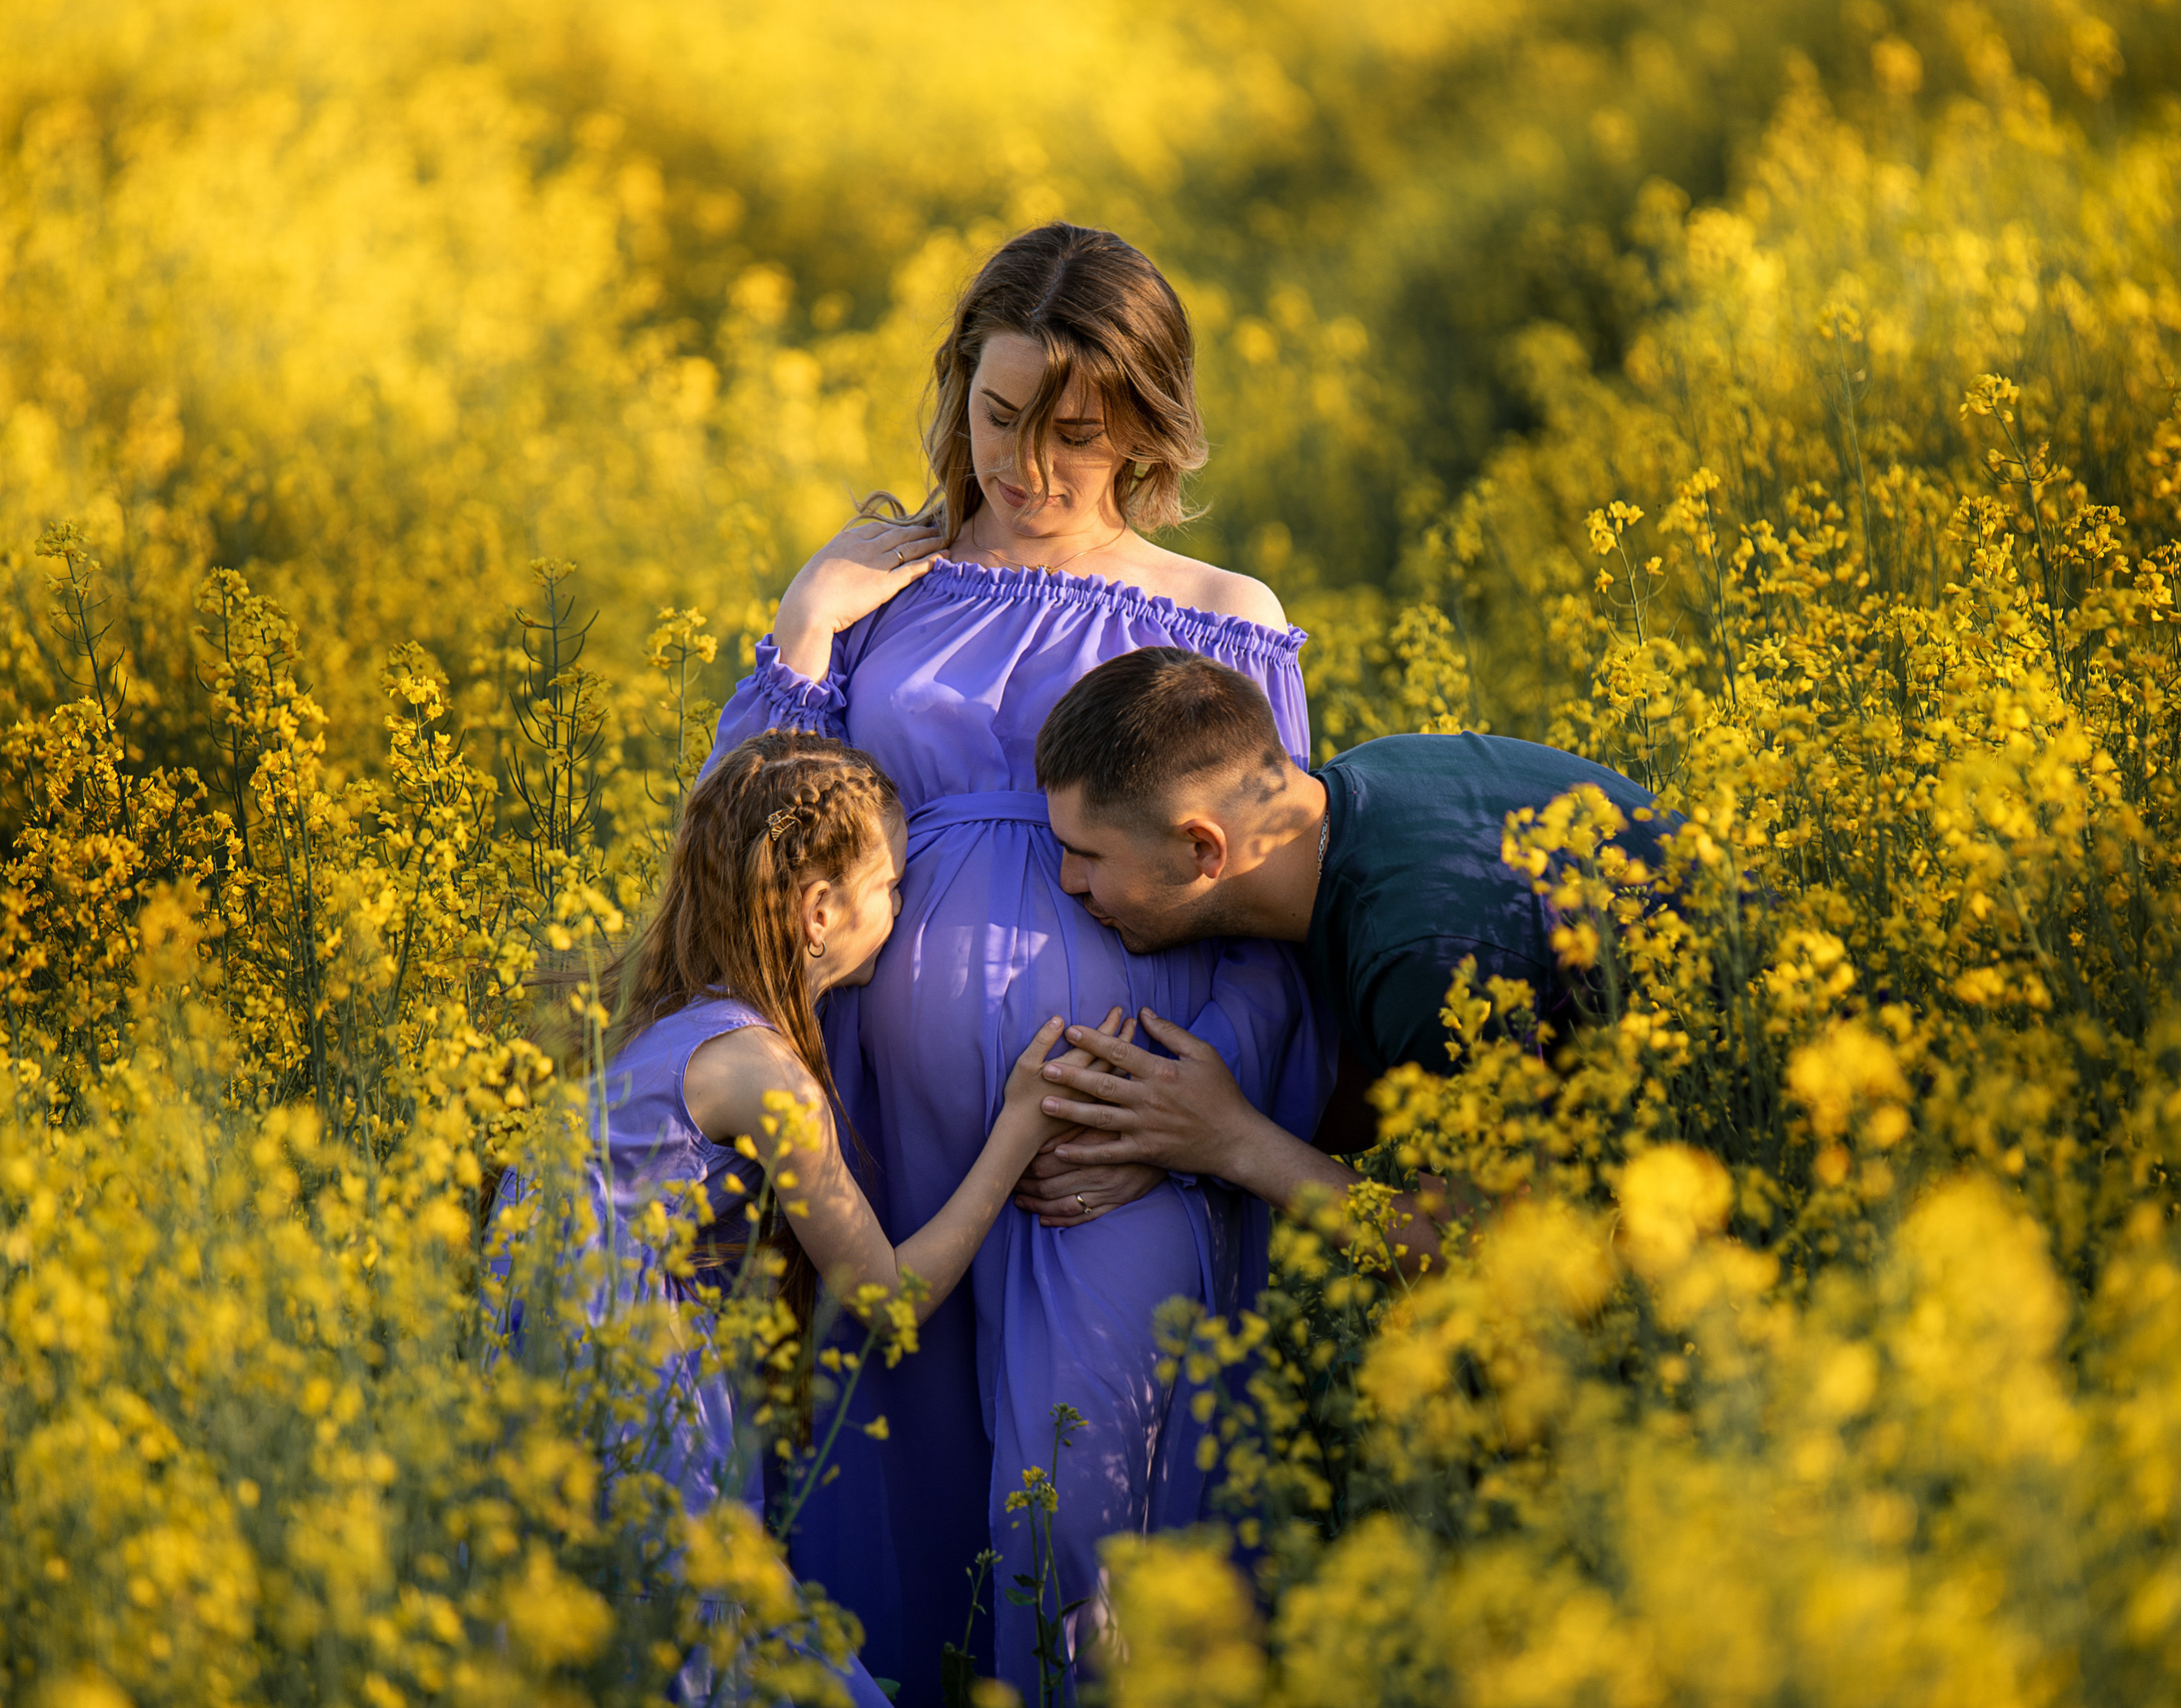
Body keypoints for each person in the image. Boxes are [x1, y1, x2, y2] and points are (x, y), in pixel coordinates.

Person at [705, 224, 1326, 1700]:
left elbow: (1275, 895)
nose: (1028, 469)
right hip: (880, 1129)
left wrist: (1194, 1107)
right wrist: (804, 627)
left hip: (1108, 1141)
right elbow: (744, 846)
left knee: (1079, 1548)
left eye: (1074, 437)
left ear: (1144, 430)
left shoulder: (1219, 614)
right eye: (996, 421)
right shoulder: (882, 590)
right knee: (891, 1515)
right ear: (954, 394)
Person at [487, 732, 1131, 1708]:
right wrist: (1020, 1124)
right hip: (629, 1389)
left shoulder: (673, 1019)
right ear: (820, 911)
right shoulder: (760, 1070)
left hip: (548, 1378)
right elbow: (888, 1296)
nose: (904, 908)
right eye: (893, 885)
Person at [1021, 646, 1675, 1252]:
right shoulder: (1364, 783)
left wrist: (1229, 1140)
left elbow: (1489, 1261)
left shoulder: (1421, 951)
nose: (1068, 881)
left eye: (1088, 855)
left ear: (1203, 848)